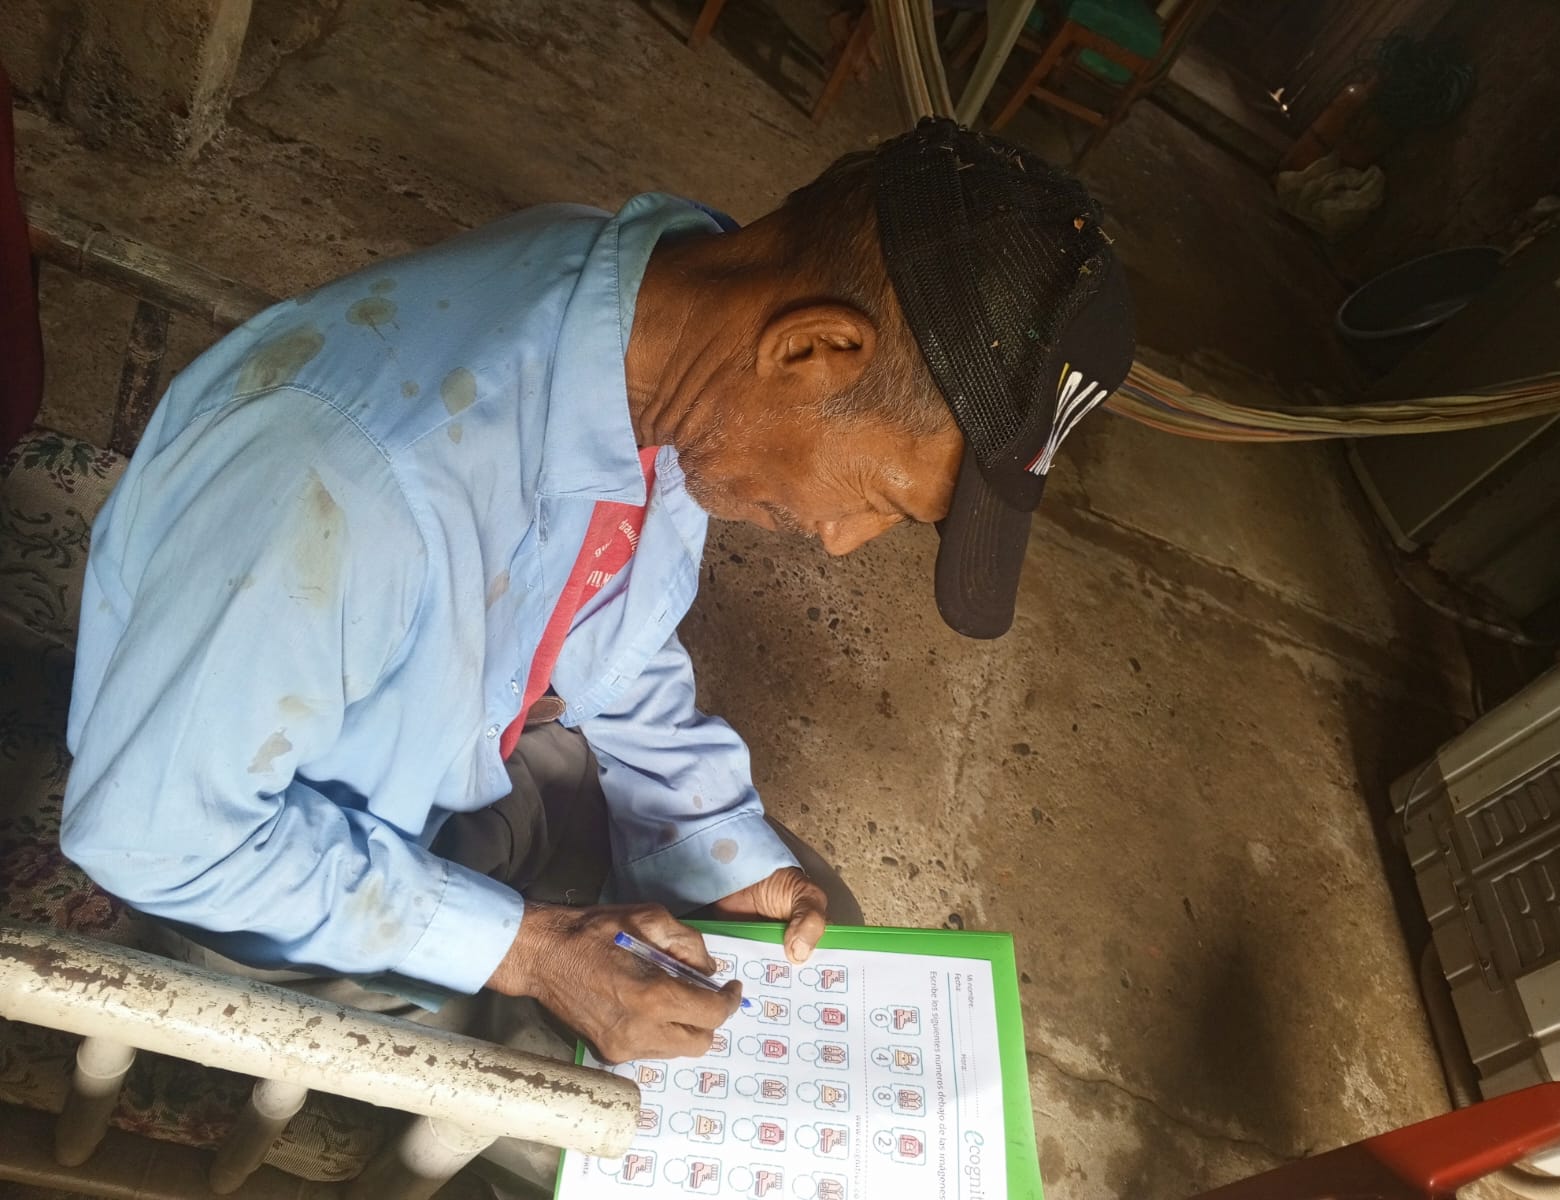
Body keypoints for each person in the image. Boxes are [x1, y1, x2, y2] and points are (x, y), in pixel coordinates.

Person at [61, 116, 1132, 1114]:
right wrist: (528, 950)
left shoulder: (658, 336)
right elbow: (155, 839)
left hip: (454, 758)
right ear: (810, 349)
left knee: (807, 933)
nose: (845, 541)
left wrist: (717, 841)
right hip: (265, 876)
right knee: (619, 1114)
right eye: (882, 499)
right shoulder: (346, 483)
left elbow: (603, 628)